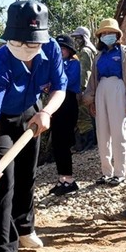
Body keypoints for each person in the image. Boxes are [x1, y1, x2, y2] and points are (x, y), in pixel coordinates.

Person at [0, 0, 66, 252]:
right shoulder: (0, 61)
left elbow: (60, 88)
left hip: (31, 112)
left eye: (32, 43)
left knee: (28, 175)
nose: (26, 48)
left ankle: (25, 228)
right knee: (2, 181)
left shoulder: (51, 49)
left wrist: (46, 112)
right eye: (20, 42)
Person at [83, 18, 126, 187]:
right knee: (102, 132)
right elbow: (93, 79)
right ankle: (106, 172)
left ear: (117, 34)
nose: (107, 35)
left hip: (118, 88)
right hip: (101, 90)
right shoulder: (98, 56)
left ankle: (120, 173)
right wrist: (90, 100)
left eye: (110, 32)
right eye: (104, 33)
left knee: (118, 131)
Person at [49, 34, 81, 196]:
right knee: (57, 142)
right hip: (55, 103)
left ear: (69, 50)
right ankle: (62, 178)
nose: (61, 51)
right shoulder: (54, 64)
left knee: (64, 142)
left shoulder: (74, 64)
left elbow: (67, 81)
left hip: (67, 102)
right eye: (58, 48)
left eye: (64, 48)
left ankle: (69, 179)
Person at [70, 26, 98, 151]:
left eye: (78, 38)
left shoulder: (86, 51)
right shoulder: (90, 50)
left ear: (84, 38)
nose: (76, 40)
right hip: (91, 87)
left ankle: (89, 143)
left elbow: (85, 72)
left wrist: (80, 89)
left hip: (86, 88)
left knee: (83, 115)